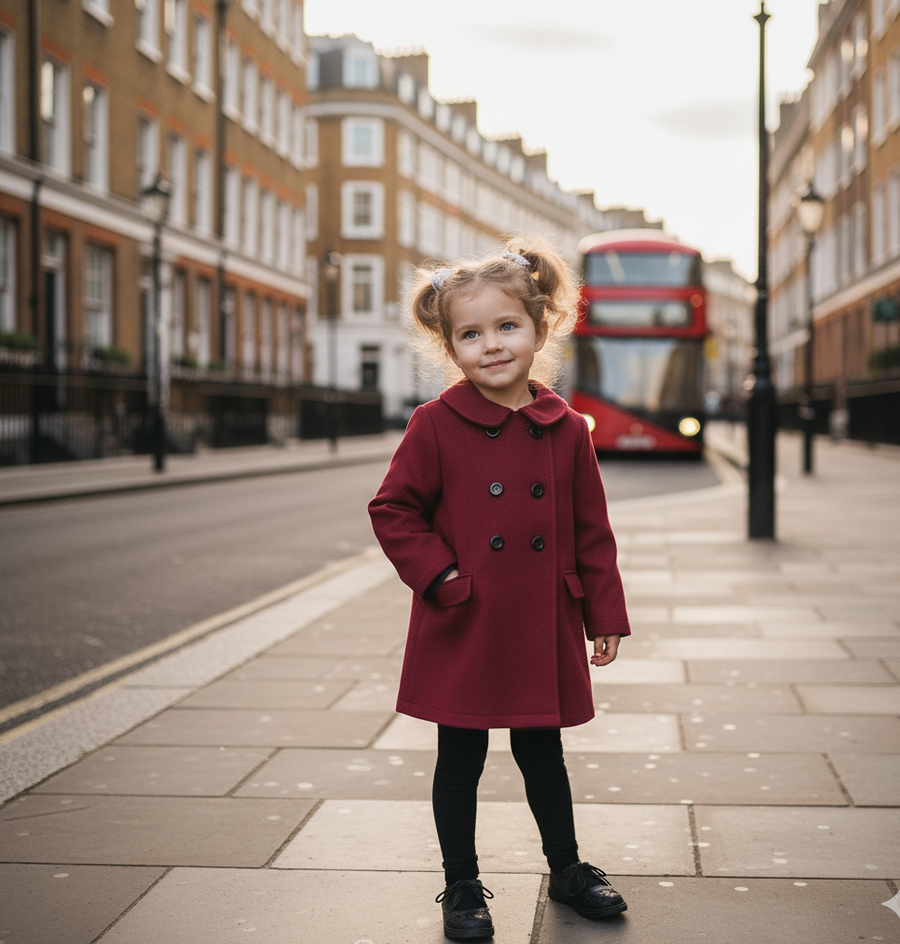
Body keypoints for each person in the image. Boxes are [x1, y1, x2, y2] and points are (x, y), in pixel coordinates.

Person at [368, 237, 631, 940]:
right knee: (461, 757)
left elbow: (591, 527)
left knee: (542, 752)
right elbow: (392, 510)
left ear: (540, 329)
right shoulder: (435, 424)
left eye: (506, 326)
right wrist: (442, 575)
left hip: (542, 620)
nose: (491, 345)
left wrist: (603, 612)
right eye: (470, 333)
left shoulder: (567, 428)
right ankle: (461, 886)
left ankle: (569, 869)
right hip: (467, 619)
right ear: (450, 347)